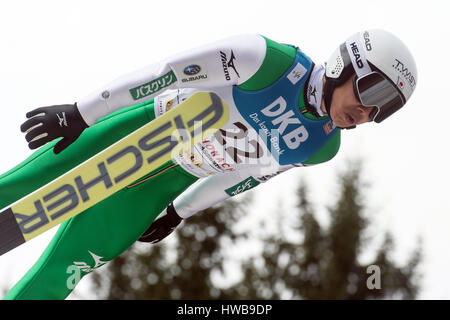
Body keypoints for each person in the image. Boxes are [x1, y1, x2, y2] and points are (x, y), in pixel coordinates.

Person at [1, 29, 417, 299]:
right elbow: (165, 74)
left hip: (157, 188)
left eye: (385, 108)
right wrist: (82, 112)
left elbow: (246, 177)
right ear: (347, 64)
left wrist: (178, 211)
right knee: (23, 184)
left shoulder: (321, 147)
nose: (368, 112)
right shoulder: (264, 59)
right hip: (134, 130)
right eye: (372, 91)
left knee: (62, 275)